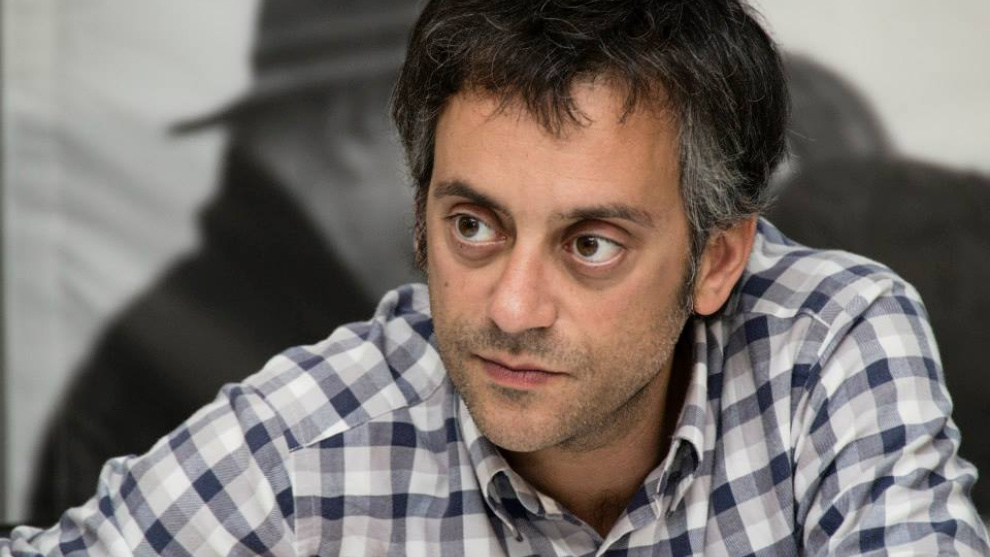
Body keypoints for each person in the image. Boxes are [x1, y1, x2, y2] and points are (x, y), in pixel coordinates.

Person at [4, 0, 988, 554]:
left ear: (716, 260)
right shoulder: (318, 434)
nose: (510, 308)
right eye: (473, 226)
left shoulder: (831, 339)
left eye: (591, 243)